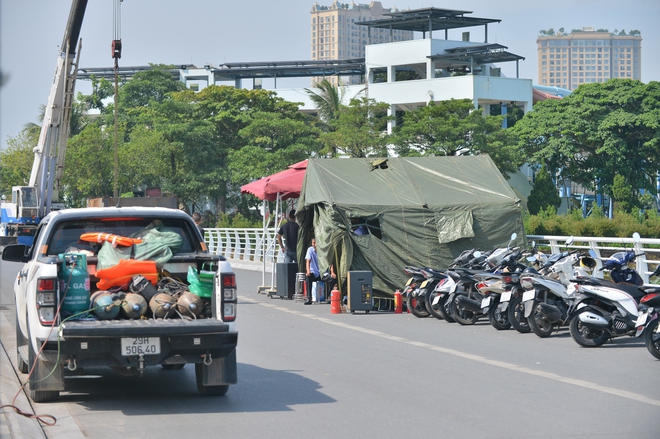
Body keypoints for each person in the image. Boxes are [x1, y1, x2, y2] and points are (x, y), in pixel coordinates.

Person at [304, 237, 322, 305]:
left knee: (332, 278)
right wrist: (308, 271)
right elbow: (307, 261)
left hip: (322, 273)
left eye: (315, 243)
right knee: (308, 277)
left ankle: (328, 296)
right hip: (314, 272)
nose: (314, 244)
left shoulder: (322, 250)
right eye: (313, 243)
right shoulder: (310, 250)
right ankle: (309, 298)